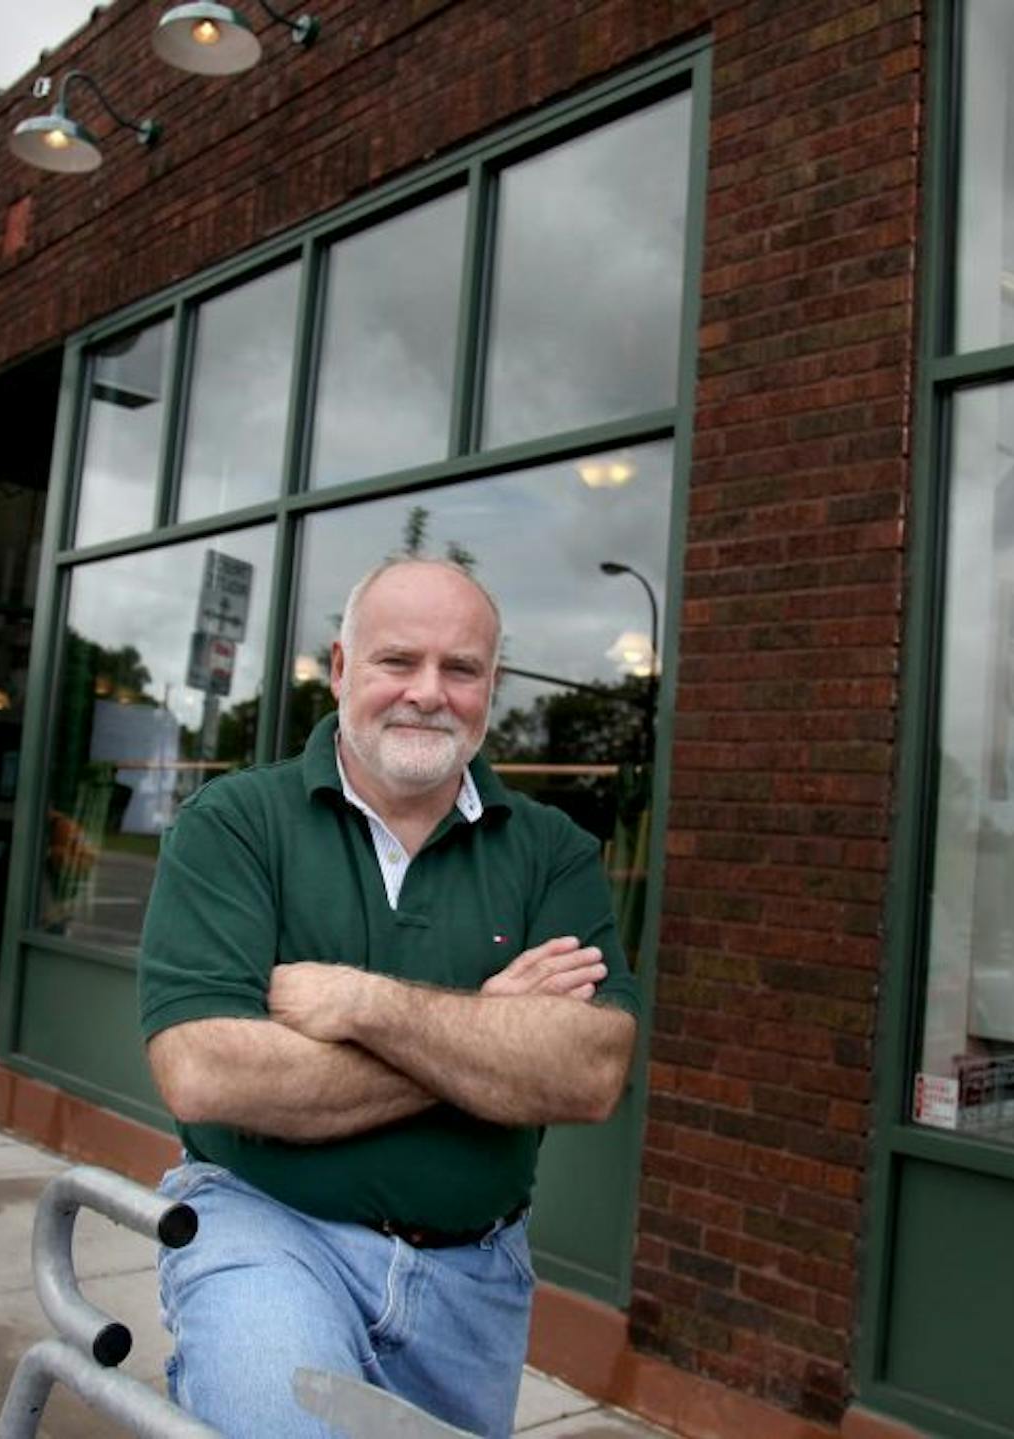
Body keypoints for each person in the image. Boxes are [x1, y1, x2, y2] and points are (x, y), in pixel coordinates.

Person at [138, 558, 641, 1439]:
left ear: (493, 685)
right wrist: (489, 1030)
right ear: (340, 669)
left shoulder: (552, 851)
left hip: (474, 1281)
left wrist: (365, 1006)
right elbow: (208, 1072)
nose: (427, 693)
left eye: (461, 669)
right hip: (264, 1228)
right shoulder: (234, 823)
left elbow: (589, 1072)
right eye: (396, 661)